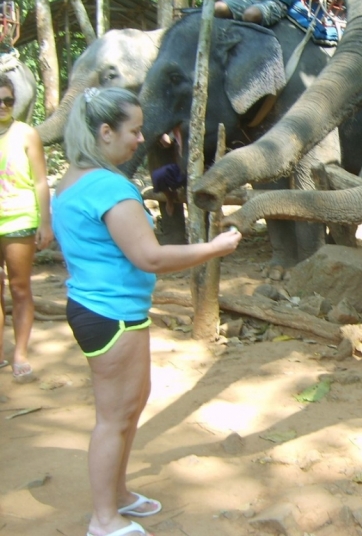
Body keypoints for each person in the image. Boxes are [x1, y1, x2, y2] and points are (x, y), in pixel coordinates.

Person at [51, 87, 241, 536]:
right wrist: (214, 248)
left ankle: (116, 496)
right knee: (115, 417)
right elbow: (150, 257)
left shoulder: (72, 179)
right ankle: (104, 519)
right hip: (111, 314)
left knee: (129, 409)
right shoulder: (110, 187)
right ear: (104, 132)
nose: (141, 139)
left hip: (101, 309)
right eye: (134, 130)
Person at [0, 71, 53, 383]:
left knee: (19, 288)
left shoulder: (26, 134)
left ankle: (19, 353)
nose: (4, 105)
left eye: (9, 100)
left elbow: (41, 180)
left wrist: (46, 222)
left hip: (20, 219)